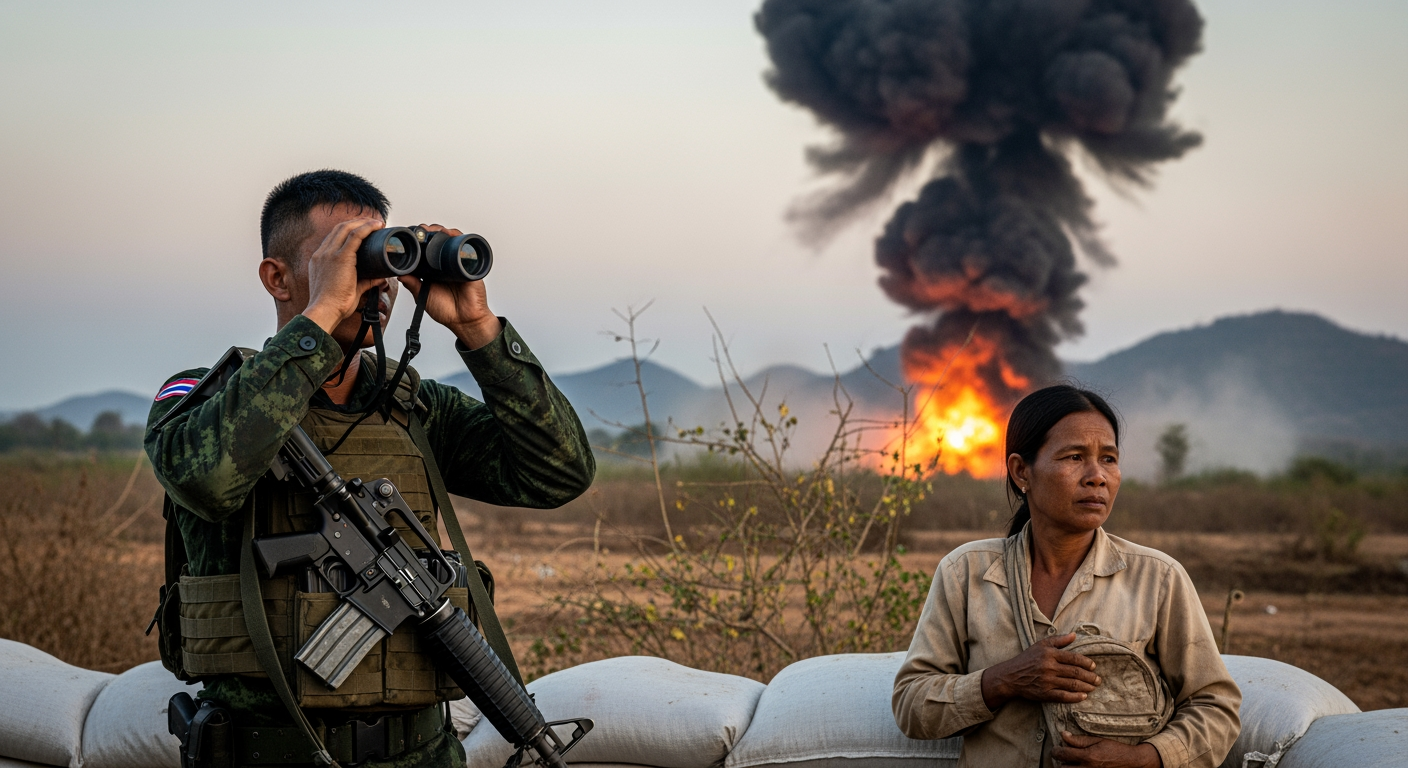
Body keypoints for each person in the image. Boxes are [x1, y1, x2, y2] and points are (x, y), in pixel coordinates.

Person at [145, 170, 595, 768]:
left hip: (423, 755)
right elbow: (209, 476)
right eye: (344, 257)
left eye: (379, 255)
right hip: (267, 754)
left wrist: (477, 330)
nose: (373, 281)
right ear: (277, 278)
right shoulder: (200, 399)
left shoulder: (414, 407)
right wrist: (324, 314)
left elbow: (558, 472)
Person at [892, 385, 1240, 768]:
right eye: (1075, 457)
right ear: (1021, 471)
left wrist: (1143, 758)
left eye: (1109, 459)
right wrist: (1004, 680)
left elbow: (1216, 706)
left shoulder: (1158, 579)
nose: (1097, 477)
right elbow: (912, 704)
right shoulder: (966, 573)